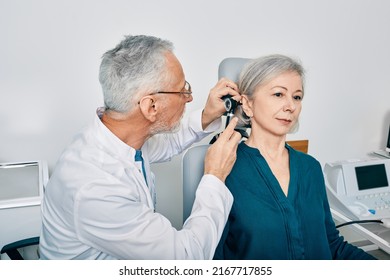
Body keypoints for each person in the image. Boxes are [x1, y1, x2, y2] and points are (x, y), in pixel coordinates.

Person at [39, 35, 242, 259]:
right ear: (150, 106)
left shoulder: (117, 135)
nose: (189, 98)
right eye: (182, 90)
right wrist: (214, 176)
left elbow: (167, 143)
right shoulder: (95, 186)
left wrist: (206, 116)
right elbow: (185, 259)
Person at [213, 54, 376, 260]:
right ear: (247, 104)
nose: (290, 106)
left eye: (297, 97)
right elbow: (215, 258)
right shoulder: (225, 168)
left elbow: (332, 244)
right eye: (279, 94)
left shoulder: (310, 168)